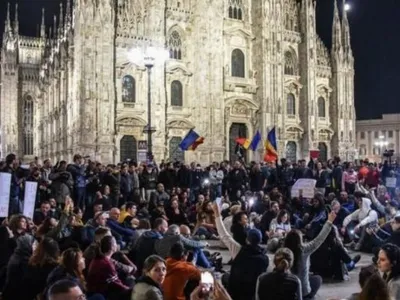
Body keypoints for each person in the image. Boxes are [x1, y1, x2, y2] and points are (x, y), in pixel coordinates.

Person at [213, 203, 269, 300]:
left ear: (247, 240)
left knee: (225, 276)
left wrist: (217, 213)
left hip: (236, 293)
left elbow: (223, 234)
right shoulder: (265, 258)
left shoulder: (238, 250)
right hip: (252, 294)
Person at [284, 211, 336, 300]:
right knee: (318, 279)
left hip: (287, 291)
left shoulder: (283, 252)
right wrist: (329, 222)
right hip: (304, 292)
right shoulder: (304, 250)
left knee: (314, 278)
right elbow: (319, 239)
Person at [87, 235, 131, 300]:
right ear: (112, 247)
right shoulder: (106, 263)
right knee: (130, 282)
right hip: (101, 294)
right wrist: (131, 290)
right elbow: (119, 285)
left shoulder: (99, 258)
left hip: (97, 290)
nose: (117, 244)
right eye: (115, 243)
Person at [2, 235, 35, 300]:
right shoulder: (23, 261)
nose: (35, 247)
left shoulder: (18, 255)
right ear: (27, 245)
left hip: (9, 293)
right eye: (33, 244)